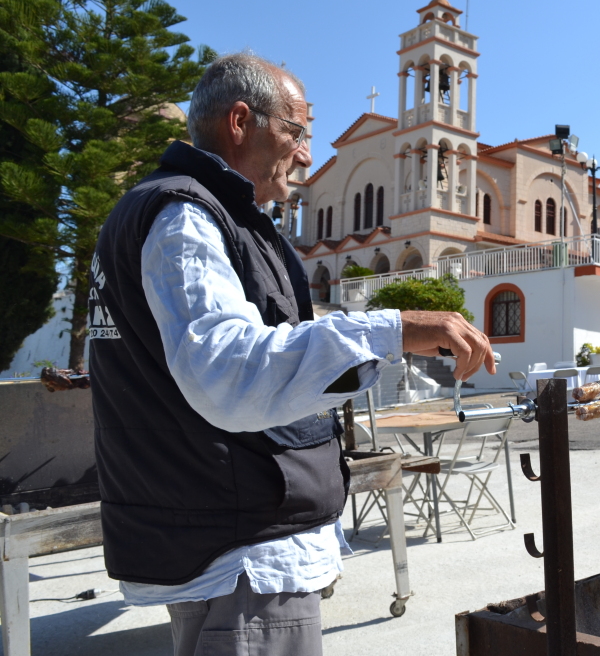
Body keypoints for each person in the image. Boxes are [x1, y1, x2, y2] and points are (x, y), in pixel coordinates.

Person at [87, 53, 495, 655]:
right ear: (240, 121)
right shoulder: (186, 218)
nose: (306, 155)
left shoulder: (201, 214)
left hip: (227, 535)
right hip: (241, 552)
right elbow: (230, 371)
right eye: (296, 132)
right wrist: (392, 329)